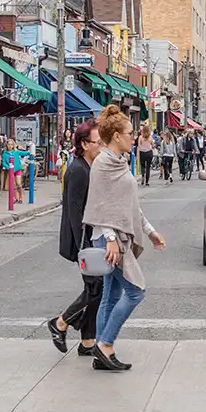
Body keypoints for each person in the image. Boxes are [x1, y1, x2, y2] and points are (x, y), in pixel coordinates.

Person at [83, 104, 166, 371]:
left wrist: (150, 231)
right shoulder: (103, 163)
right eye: (131, 133)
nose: (135, 136)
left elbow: (128, 205)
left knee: (111, 295)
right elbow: (101, 204)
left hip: (117, 237)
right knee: (135, 291)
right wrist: (108, 238)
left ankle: (102, 352)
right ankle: (105, 343)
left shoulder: (118, 161)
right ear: (117, 136)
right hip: (111, 239)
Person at [49, 120, 103, 357]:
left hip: (90, 237)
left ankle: (88, 341)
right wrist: (85, 246)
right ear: (84, 144)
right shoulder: (78, 171)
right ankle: (60, 323)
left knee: (96, 289)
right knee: (95, 288)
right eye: (97, 142)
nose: (101, 146)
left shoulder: (89, 166)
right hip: (82, 240)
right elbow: (74, 212)